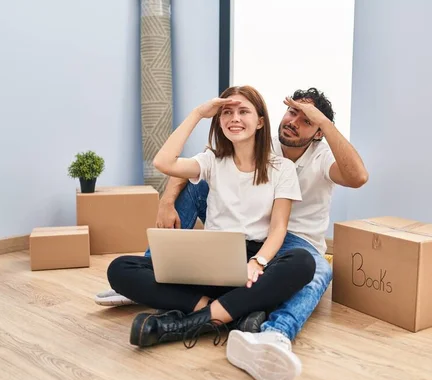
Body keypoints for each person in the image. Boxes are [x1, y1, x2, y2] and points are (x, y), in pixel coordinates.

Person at [98, 87, 368, 380]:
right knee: (125, 263)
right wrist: (166, 201)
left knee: (317, 268)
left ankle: (272, 334)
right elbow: (183, 165)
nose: (294, 121)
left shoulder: (311, 159)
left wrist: (259, 260)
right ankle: (163, 271)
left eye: (307, 120)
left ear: (318, 132)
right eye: (293, 112)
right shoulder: (250, 144)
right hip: (233, 241)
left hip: (290, 241)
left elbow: (357, 178)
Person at [104, 86, 316, 357]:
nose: (234, 118)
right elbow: (163, 162)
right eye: (227, 113)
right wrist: (198, 114)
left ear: (260, 121)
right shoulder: (212, 160)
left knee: (303, 262)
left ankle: (184, 324)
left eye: (243, 111)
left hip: (251, 265)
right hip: (211, 261)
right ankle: (234, 314)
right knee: (120, 268)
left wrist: (258, 262)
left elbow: (278, 228)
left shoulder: (281, 168)